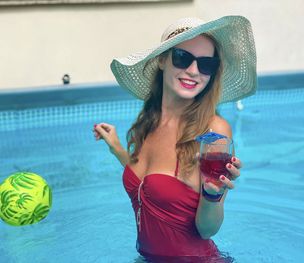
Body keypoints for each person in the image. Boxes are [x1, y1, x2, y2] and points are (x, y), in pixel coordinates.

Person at [93, 16, 256, 261]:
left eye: (206, 64)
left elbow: (207, 229)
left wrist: (213, 194)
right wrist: (116, 147)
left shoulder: (212, 130)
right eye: (182, 58)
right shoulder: (149, 121)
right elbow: (147, 181)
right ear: (162, 60)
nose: (193, 71)